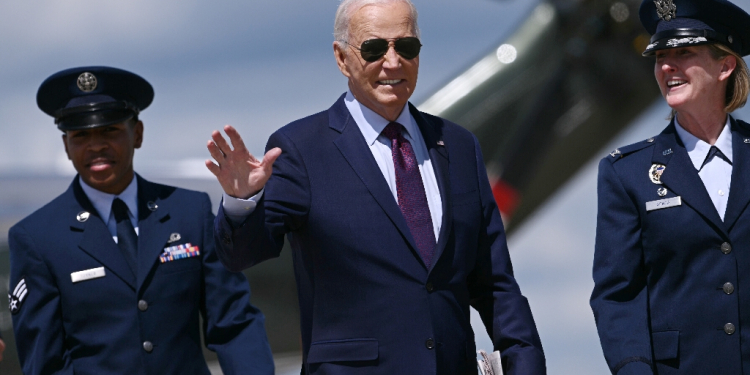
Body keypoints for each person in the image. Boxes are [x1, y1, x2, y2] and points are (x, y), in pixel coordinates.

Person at [205, 0, 545, 374]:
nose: (393, 61)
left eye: (406, 46)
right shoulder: (302, 148)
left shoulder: (459, 146)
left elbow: (494, 282)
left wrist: (525, 363)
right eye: (374, 48)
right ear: (341, 58)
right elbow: (242, 256)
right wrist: (241, 201)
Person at [9, 66, 274, 375]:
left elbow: (234, 324)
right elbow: (45, 363)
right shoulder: (38, 238)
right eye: (81, 135)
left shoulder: (189, 211)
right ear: (66, 145)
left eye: (109, 130)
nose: (96, 145)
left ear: (137, 134)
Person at [590, 0, 750, 373]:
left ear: (725, 65)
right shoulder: (625, 174)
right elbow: (618, 296)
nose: (665, 66)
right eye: (660, 55)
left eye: (684, 52)